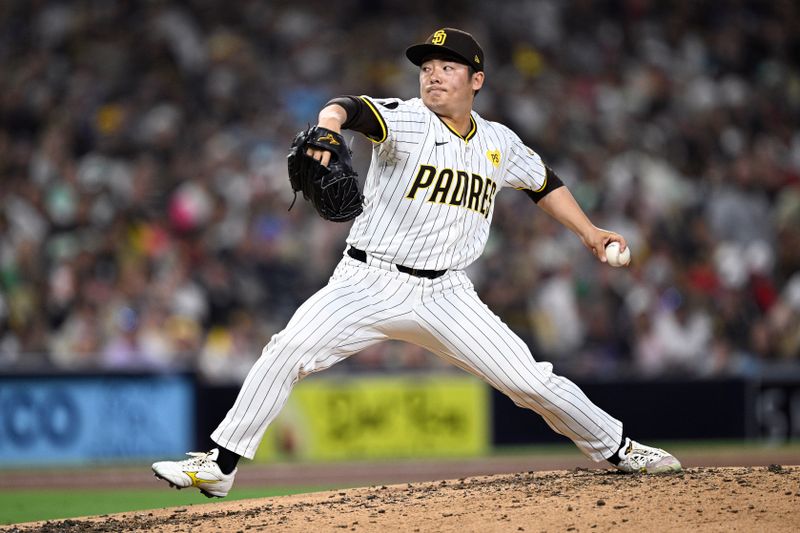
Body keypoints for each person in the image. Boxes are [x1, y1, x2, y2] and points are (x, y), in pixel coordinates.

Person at [152, 28, 681, 498]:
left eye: (446, 67)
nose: (432, 76)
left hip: (447, 294)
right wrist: (330, 124)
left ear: (477, 79)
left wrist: (589, 233)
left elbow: (543, 184)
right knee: (287, 348)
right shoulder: (407, 120)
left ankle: (619, 448)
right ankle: (220, 465)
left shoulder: (498, 142)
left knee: (531, 382)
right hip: (368, 279)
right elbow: (351, 107)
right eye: (426, 68)